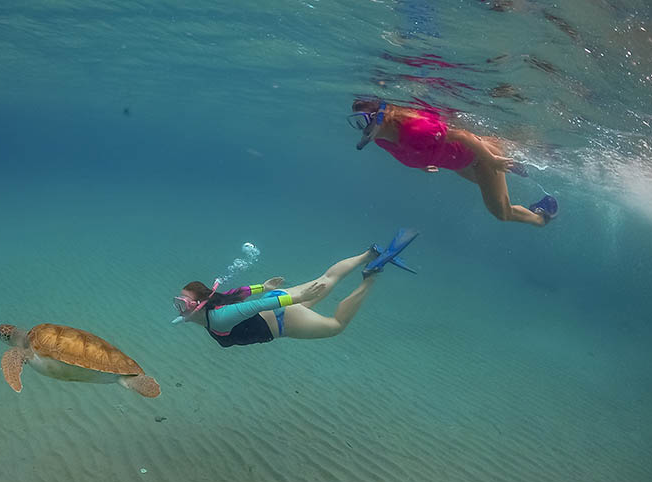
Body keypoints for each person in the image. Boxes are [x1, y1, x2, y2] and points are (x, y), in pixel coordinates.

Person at [172, 229, 418, 348]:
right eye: (178, 303)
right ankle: (369, 253)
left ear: (200, 305)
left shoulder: (219, 318)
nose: (180, 308)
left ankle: (370, 276)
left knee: (336, 326)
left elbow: (257, 305)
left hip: (284, 319)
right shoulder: (215, 304)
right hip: (279, 302)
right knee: (326, 279)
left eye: (183, 304)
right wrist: (263, 286)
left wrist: (299, 297)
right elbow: (238, 293)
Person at [349, 99, 558, 226]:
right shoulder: (381, 140)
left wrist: (492, 159)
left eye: (364, 120)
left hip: (478, 159)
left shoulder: (417, 129)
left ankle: (541, 217)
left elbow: (463, 135)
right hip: (460, 164)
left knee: (501, 212)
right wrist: (421, 163)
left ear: (381, 117)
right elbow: (407, 152)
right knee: (492, 188)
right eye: (357, 122)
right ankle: (512, 166)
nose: (362, 128)